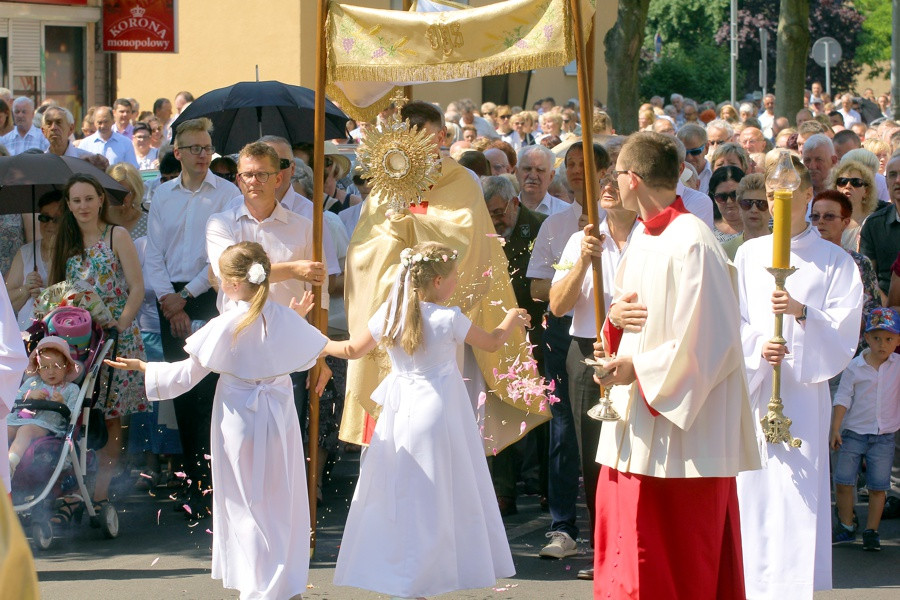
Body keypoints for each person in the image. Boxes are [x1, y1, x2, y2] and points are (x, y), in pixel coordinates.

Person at [106, 241, 327, 600]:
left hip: (241, 417)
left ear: (230, 284)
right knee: (278, 495)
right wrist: (294, 318)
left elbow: (185, 376)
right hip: (279, 416)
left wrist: (145, 367)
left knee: (245, 501)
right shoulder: (282, 317)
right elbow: (294, 350)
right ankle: (283, 582)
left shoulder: (226, 323)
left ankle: (260, 584)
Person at [592, 132, 759, 598]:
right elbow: (629, 314)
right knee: (630, 553)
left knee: (677, 563)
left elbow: (711, 341)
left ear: (633, 179)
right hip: (635, 426)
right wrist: (612, 321)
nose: (613, 183)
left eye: (616, 174)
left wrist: (636, 369)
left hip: (683, 436)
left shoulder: (694, 243)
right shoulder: (644, 235)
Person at [341, 100, 549, 456]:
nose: (420, 150)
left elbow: (465, 243)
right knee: (394, 437)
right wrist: (393, 229)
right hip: (398, 317)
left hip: (447, 322)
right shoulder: (384, 183)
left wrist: (414, 221)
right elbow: (363, 254)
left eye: (427, 140)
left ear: (441, 136)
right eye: (411, 141)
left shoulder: (462, 180)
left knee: (452, 435)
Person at [328, 241, 521, 599]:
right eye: (453, 275)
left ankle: (406, 572)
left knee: (403, 492)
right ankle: (429, 574)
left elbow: (351, 349)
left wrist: (316, 342)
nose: (457, 280)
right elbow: (493, 342)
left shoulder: (390, 313)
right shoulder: (448, 318)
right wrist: (513, 317)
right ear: (436, 280)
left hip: (401, 411)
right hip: (437, 410)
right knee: (439, 491)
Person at [734, 155, 863, 598]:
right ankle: (749, 584)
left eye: (788, 195)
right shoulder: (748, 254)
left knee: (798, 493)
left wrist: (802, 313)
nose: (777, 203)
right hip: (757, 386)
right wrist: (756, 345)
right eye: (772, 196)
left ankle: (793, 587)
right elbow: (733, 317)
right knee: (754, 489)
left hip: (804, 394)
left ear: (808, 197)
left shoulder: (833, 260)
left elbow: (847, 325)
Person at [548, 155, 639, 580]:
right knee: (593, 458)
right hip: (588, 351)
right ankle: (605, 548)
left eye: (614, 180)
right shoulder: (580, 240)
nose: (606, 187)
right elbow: (557, 304)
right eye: (601, 181)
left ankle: (636, 543)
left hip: (637, 352)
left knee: (636, 450)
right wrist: (584, 260)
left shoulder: (651, 240)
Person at [145, 117, 239, 517]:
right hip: (169, 301)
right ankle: (192, 483)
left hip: (207, 298)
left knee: (210, 393)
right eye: (196, 149)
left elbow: (222, 256)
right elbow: (153, 254)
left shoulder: (228, 194)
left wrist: (185, 297)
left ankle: (216, 486)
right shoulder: (162, 195)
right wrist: (168, 298)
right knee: (180, 391)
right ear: (178, 153)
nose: (204, 156)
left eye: (208, 148)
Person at [528, 141, 610, 561]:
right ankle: (563, 525)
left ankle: (609, 529)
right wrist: (571, 271)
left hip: (611, 332)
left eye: (586, 165)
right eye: (572, 165)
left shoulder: (619, 224)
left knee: (606, 434)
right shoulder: (556, 224)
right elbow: (539, 288)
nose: (577, 171)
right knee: (564, 429)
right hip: (564, 331)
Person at [48, 173, 147, 523]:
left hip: (116, 338)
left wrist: (121, 323)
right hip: (78, 345)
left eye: (89, 198)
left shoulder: (116, 235)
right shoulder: (66, 241)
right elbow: (57, 293)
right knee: (75, 417)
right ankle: (72, 490)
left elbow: (137, 287)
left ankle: (101, 493)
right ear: (69, 205)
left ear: (101, 199)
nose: (83, 206)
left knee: (112, 419)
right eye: (76, 201)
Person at [482, 175, 547, 516]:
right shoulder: (483, 231)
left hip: (537, 329)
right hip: (500, 333)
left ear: (514, 203)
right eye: (489, 212)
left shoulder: (539, 226)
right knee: (505, 407)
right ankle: (504, 490)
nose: (495, 218)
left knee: (545, 412)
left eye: (499, 211)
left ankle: (546, 487)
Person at [830, 307, 900, 551]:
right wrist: (835, 428)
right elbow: (843, 397)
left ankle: (872, 531)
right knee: (843, 481)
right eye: (877, 338)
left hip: (884, 436)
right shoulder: (855, 367)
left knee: (878, 486)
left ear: (898, 341)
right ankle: (847, 525)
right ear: (866, 338)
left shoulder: (898, 366)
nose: (882, 344)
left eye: (889, 339)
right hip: (853, 434)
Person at [809, 191, 882, 349]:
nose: (820, 222)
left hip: (851, 352)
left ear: (845, 222)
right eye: (815, 216)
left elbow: (872, 313)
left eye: (828, 216)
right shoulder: (802, 261)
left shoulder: (860, 264)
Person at [6, 336, 81, 477]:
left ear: (66, 367)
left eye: (57, 366)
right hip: (19, 420)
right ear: (38, 369)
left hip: (48, 425)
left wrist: (62, 404)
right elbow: (14, 400)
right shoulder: (33, 383)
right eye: (45, 367)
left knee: (25, 430)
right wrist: (28, 395)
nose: (51, 371)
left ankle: (10, 463)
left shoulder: (72, 389)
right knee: (5, 429)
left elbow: (74, 415)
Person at [5, 191, 62, 329]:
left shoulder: (74, 253)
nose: (50, 224)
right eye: (44, 217)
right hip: (27, 335)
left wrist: (48, 294)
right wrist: (25, 289)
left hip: (62, 335)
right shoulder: (25, 253)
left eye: (56, 219)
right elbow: (7, 302)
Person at [830, 159, 878, 252]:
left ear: (866, 191)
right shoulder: (827, 220)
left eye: (856, 182)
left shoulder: (874, 223)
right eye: (842, 181)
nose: (848, 186)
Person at [721, 173, 770, 260]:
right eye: (747, 203)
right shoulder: (725, 251)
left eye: (761, 204)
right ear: (739, 206)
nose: (754, 210)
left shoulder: (786, 246)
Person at [516, 145, 568, 215]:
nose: (533, 176)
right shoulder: (505, 211)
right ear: (517, 173)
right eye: (527, 169)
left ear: (551, 176)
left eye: (540, 170)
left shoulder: (565, 212)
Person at [106, 162, 147, 239]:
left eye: (125, 192)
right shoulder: (98, 220)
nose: (120, 197)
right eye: (115, 192)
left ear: (135, 192)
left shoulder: (147, 222)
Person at [709, 166, 746, 243]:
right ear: (713, 198)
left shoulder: (764, 224)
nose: (729, 201)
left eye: (735, 194)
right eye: (722, 197)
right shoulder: (706, 229)